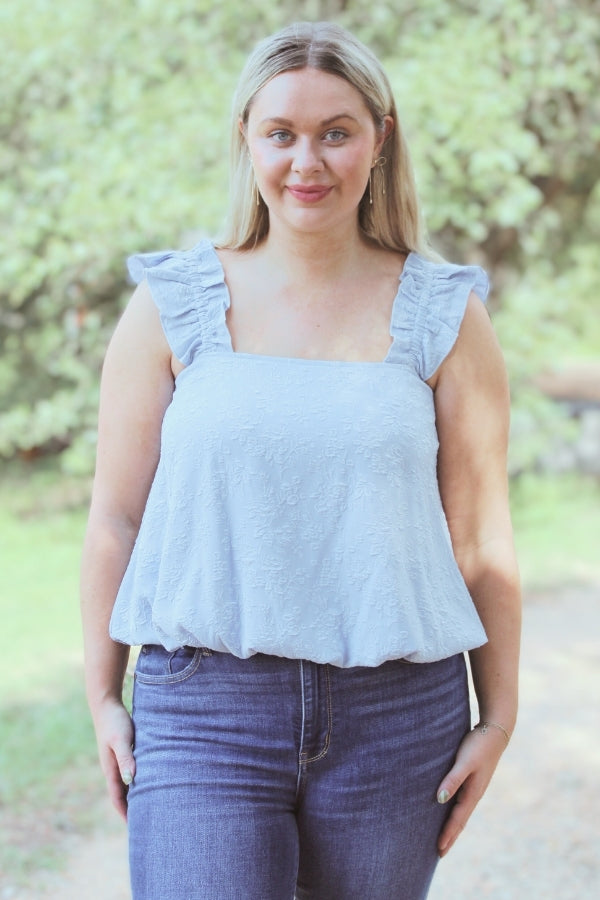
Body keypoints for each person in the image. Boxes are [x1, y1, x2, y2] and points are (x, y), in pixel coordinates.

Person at [80, 20, 521, 900]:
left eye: (336, 131)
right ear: (246, 136)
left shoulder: (443, 313)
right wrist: (103, 698)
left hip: (397, 715)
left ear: (379, 137)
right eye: (281, 133)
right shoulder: (174, 303)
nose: (306, 161)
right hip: (204, 706)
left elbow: (480, 540)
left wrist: (499, 716)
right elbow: (115, 519)